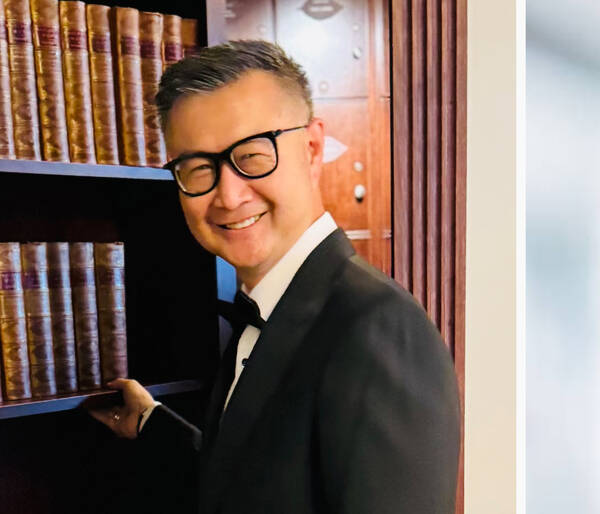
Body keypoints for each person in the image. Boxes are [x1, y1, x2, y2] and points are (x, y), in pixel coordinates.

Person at [87, 40, 460, 514]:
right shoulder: (267, 307)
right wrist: (153, 424)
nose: (228, 195)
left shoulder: (378, 327)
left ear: (312, 147)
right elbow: (263, 483)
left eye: (253, 155)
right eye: (198, 168)